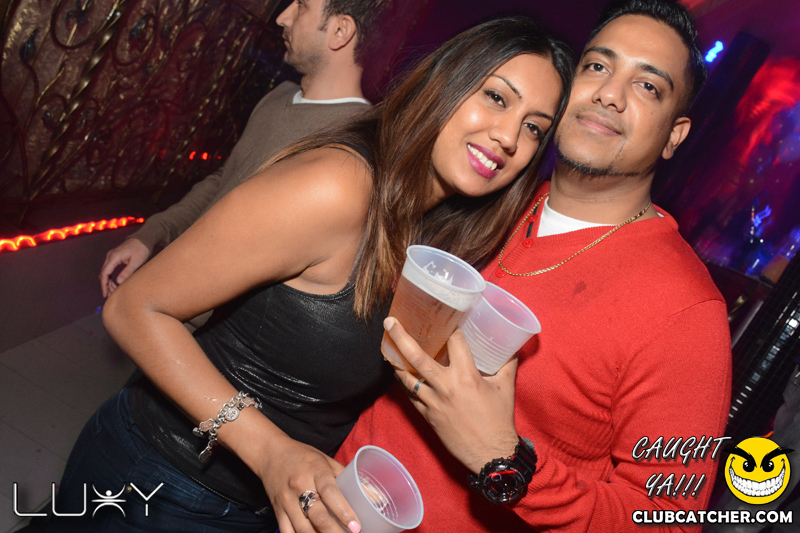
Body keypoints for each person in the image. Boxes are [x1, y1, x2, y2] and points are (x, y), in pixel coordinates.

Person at [51, 17, 574, 533]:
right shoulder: (339, 187)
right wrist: (271, 451)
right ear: (444, 83)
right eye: (496, 97)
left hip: (256, 505)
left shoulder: (433, 230)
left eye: (534, 127)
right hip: (158, 479)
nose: (509, 137)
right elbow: (134, 308)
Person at [337, 1, 733, 531]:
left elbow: (666, 518)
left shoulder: (687, 312)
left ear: (674, 135)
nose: (609, 94)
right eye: (597, 66)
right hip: (335, 498)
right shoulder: (492, 190)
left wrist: (504, 460)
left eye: (647, 86)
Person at [99, 0, 386, 298]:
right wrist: (151, 235)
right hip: (171, 288)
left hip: (202, 314)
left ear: (340, 31)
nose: (282, 18)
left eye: (301, 5)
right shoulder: (279, 96)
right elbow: (225, 182)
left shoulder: (354, 143)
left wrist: (154, 302)